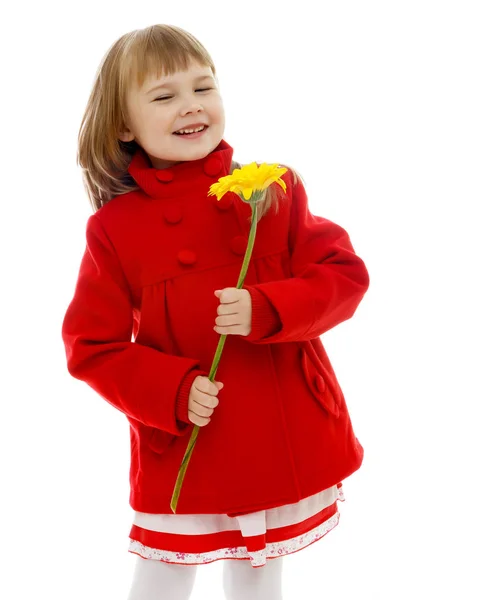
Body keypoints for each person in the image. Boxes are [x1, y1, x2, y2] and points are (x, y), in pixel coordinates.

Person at [61, 23, 370, 600]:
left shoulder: (272, 189)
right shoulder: (115, 229)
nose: (191, 107)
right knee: (164, 572)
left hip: (280, 430)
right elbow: (90, 346)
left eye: (204, 88)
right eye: (164, 96)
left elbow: (344, 275)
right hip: (187, 438)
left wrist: (269, 307)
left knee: (259, 568)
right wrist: (171, 389)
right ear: (124, 124)